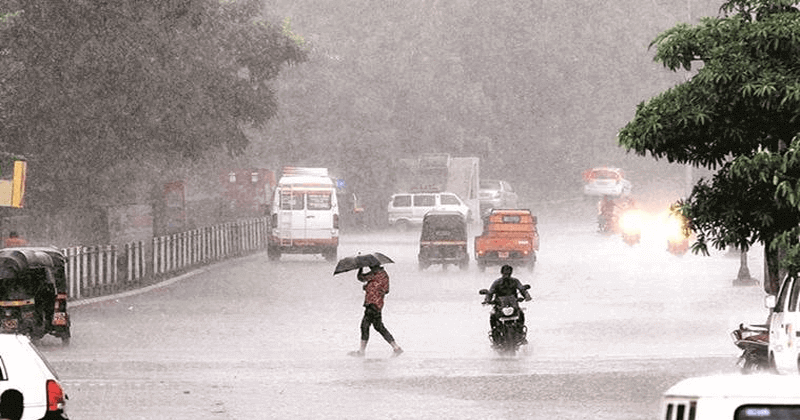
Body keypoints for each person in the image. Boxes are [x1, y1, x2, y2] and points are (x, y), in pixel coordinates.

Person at [348, 264, 403, 357]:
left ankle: (361, 352)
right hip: (379, 304)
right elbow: (386, 290)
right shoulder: (384, 275)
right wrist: (371, 287)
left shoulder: (374, 274)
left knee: (364, 326)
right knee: (379, 326)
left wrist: (360, 268)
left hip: (372, 303)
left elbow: (361, 278)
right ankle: (396, 347)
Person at [483, 264, 532, 344]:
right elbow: (490, 292)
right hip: (500, 306)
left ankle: (521, 333)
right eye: (505, 273)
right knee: (492, 316)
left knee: (521, 313)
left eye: (508, 274)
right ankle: (494, 334)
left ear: (511, 273)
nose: (506, 275)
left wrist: (527, 296)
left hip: (513, 305)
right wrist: (487, 300)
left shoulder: (515, 281)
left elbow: (522, 289)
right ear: (502, 273)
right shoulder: (497, 282)